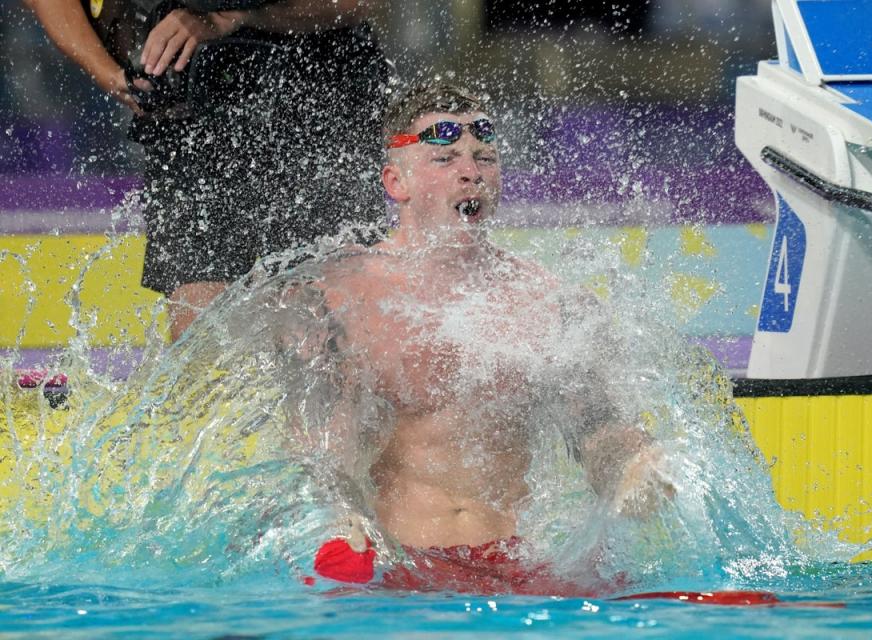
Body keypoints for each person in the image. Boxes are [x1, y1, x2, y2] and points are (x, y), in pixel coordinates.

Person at [280, 83, 672, 595]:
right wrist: (339, 519)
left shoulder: (548, 301)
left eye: (485, 157)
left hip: (518, 566)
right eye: (445, 159)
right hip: (399, 566)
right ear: (396, 182)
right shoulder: (338, 298)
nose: (472, 171)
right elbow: (321, 453)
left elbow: (597, 429)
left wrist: (632, 468)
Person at [24, 0, 391, 341]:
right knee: (199, 325)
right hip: (189, 117)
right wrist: (112, 76)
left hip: (317, 103)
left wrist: (230, 16)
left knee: (324, 328)